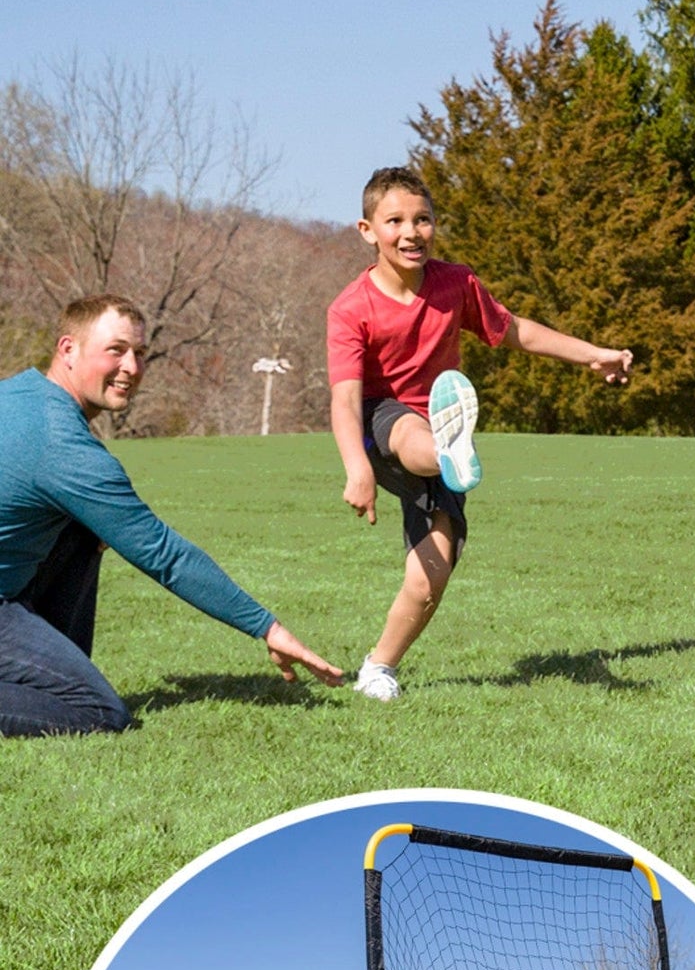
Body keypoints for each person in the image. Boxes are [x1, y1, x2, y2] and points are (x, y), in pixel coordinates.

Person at [326, 166, 633, 700]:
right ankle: (448, 446)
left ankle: (378, 669)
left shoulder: (455, 283)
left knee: (431, 578)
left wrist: (593, 355)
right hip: (380, 422)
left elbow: (514, 331)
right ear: (367, 230)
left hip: (439, 425)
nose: (411, 232)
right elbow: (346, 397)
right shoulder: (351, 308)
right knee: (409, 431)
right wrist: (356, 467)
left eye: (423, 220)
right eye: (395, 220)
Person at [0, 296, 343, 736]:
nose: (132, 367)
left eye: (139, 354)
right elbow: (165, 555)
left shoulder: (17, 391)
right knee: (100, 711)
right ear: (68, 349)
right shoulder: (63, 444)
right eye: (116, 350)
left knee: (87, 527)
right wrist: (267, 627)